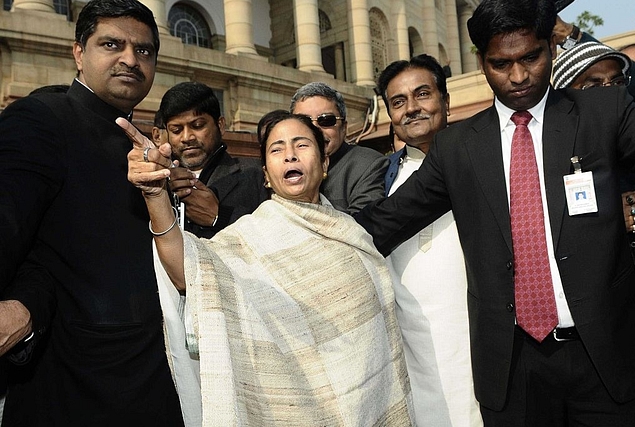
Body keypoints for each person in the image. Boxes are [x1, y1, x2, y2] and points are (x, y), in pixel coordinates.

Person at [355, 0, 635, 425]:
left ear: (550, 46)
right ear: (482, 62)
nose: (519, 75)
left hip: (605, 358)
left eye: (531, 57)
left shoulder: (604, 113)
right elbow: (383, 223)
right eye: (501, 64)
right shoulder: (457, 149)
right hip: (512, 369)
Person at [120, 110, 414, 426]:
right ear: (266, 174)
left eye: (301, 145)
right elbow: (186, 270)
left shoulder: (354, 237)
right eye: (277, 149)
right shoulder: (247, 239)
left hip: (368, 404)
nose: (289, 155)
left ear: (324, 163)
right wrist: (154, 196)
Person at [0, 0, 185, 425]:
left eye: (143, 50)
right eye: (112, 44)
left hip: (151, 378)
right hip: (75, 386)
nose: (129, 59)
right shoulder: (42, 119)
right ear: (79, 53)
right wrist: (24, 306)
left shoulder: (140, 142)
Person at [378, 54, 483, 427]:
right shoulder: (377, 180)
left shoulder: (485, 161)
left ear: (446, 101)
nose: (412, 109)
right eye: (398, 101)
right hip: (412, 350)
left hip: (481, 341)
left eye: (422, 94)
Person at [552, 41, 635, 275]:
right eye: (594, 87)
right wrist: (609, 220)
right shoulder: (551, 158)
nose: (611, 92)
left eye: (618, 82)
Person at [159, 81, 268, 239]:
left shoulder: (256, 174)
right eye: (176, 130)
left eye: (197, 125)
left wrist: (219, 217)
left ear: (220, 125)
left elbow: (277, 238)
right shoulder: (157, 181)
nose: (187, 137)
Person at [289, 82, 388, 215]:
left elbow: (361, 227)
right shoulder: (284, 166)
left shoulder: (368, 165)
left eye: (326, 120)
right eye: (304, 121)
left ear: (344, 128)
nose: (315, 130)